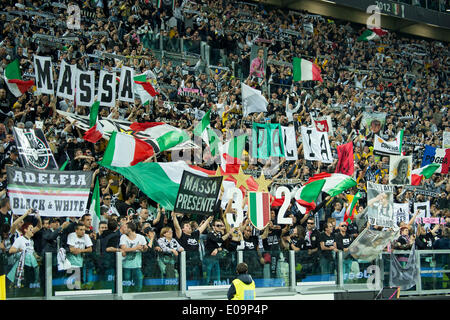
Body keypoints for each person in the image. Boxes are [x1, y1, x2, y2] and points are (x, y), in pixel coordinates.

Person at [172, 212, 213, 281]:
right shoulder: (181, 235)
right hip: (186, 263)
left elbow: (203, 226)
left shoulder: (195, 234)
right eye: (187, 226)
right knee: (186, 281)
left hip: (197, 262)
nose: (189, 226)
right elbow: (177, 227)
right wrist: (174, 217)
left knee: (199, 281)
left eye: (189, 225)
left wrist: (209, 219)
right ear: (183, 229)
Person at [119, 221, 148, 292]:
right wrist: (136, 248)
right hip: (126, 266)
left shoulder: (141, 237)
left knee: (138, 285)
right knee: (125, 286)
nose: (123, 229)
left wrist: (144, 248)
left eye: (125, 227)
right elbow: (124, 249)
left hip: (137, 266)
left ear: (129, 229)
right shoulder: (123, 237)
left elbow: (145, 249)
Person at [65, 222, 93, 287]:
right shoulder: (71, 235)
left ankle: (79, 289)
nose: (83, 232)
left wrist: (80, 250)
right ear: (76, 230)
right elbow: (72, 250)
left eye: (84, 230)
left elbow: (90, 249)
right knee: (71, 284)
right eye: (81, 230)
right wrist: (82, 250)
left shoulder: (86, 236)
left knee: (78, 282)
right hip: (71, 262)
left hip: (81, 261)